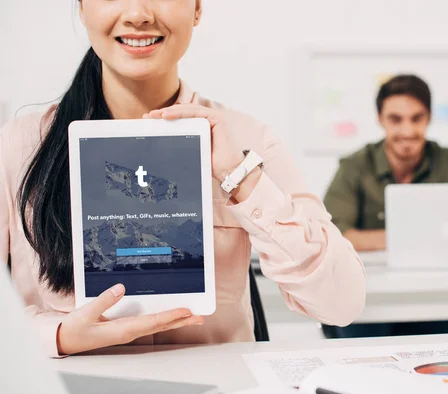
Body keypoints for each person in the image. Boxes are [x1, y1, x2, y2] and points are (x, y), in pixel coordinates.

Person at [0, 0, 366, 357]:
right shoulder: (20, 146)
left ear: (197, 8)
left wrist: (242, 179)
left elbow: (341, 303)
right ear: (81, 7)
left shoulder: (247, 139)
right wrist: (58, 336)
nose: (138, 15)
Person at [321, 75, 448, 338]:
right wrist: (422, 238)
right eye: (396, 119)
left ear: (429, 117)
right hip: (368, 299)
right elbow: (334, 234)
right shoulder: (354, 166)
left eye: (417, 118)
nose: (408, 131)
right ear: (380, 119)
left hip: (437, 298)